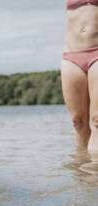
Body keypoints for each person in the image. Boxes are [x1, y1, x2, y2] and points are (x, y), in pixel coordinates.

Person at [61, 0, 98, 151]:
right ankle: (81, 171)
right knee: (78, 122)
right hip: (71, 55)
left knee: (97, 120)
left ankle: (93, 172)